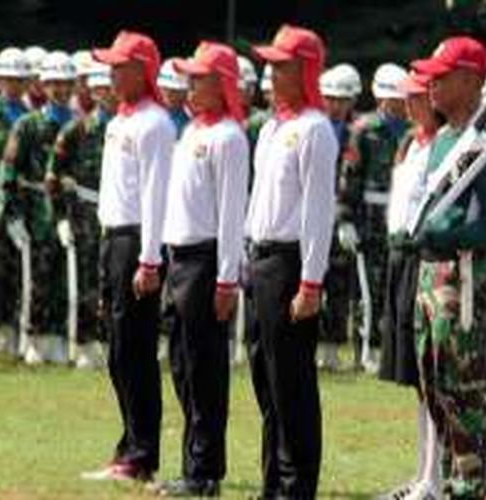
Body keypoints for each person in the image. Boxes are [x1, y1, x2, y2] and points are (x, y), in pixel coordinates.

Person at [411, 36, 486, 498]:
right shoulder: (444, 139)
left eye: (442, 75)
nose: (431, 83)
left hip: (463, 279)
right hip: (431, 276)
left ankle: (473, 486)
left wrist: (441, 231)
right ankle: (456, 482)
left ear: (472, 81)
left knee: (461, 393)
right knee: (433, 389)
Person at [245, 24, 338, 499]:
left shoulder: (315, 129)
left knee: (292, 383)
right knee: (265, 377)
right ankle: (272, 483)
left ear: (304, 70)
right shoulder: (272, 126)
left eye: (281, 65)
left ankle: (297, 485)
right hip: (260, 260)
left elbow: (318, 212)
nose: (271, 73)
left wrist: (311, 282)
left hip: (289, 263)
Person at [155, 41, 249, 498]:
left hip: (206, 260)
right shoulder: (192, 131)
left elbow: (232, 214)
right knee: (181, 364)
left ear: (222, 84)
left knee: (204, 368)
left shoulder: (229, 136)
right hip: (179, 258)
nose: (189, 85)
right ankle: (192, 461)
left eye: (199, 78)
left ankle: (204, 470)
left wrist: (227, 278)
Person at [82, 30, 174, 482]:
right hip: (112, 236)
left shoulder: (155, 123)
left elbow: (157, 196)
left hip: (137, 239)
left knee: (135, 348)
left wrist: (150, 259)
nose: (112, 73)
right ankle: (129, 445)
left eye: (120, 66)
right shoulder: (119, 119)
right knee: (118, 349)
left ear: (142, 71)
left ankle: (141, 455)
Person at [379, 70, 443, 500]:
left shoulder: (442, 146)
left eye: (418, 97)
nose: (410, 104)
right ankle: (423, 473)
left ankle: (435, 478)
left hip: (424, 256)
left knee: (433, 377)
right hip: (399, 256)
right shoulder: (410, 143)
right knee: (416, 377)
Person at [0, 50, 78, 364]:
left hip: (67, 214)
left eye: (65, 83)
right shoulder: (27, 124)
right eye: (53, 83)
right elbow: (9, 172)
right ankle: (32, 339)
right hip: (33, 212)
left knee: (62, 277)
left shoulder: (77, 125)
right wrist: (12, 215)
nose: (60, 89)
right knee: (34, 279)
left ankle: (57, 339)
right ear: (43, 86)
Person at [46, 61, 116, 368]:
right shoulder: (76, 128)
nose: (107, 94)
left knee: (117, 282)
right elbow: (53, 176)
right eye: (101, 88)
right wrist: (60, 217)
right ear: (93, 91)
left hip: (121, 217)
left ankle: (112, 342)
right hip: (85, 215)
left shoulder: (129, 128)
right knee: (88, 281)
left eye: (111, 87)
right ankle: (86, 344)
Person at [341, 62, 409, 368]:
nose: (400, 102)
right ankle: (366, 350)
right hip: (369, 214)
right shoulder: (364, 129)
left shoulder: (413, 129)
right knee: (368, 286)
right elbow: (350, 176)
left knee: (395, 284)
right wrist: (345, 218)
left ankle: (389, 351)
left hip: (400, 214)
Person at [0, 47, 30, 356]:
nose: (14, 85)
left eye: (20, 79)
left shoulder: (28, 116)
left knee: (15, 270)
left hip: (20, 200)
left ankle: (11, 332)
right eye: (9, 79)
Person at [319, 63, 362, 370]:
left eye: (341, 99)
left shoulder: (358, 132)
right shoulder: (313, 126)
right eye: (330, 98)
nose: (335, 105)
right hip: (312, 214)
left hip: (342, 214)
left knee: (338, 282)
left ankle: (332, 347)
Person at [158, 58, 191, 138]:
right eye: (166, 89)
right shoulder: (146, 114)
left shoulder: (189, 122)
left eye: (176, 91)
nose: (169, 94)